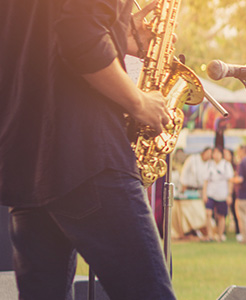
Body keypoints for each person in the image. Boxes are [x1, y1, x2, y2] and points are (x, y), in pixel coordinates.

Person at [0, 1, 176, 298]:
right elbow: (80, 37)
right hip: (87, 156)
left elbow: (43, 39)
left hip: (26, 160)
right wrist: (139, 102)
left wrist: (120, 34)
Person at [203, 148, 234, 242]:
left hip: (222, 193)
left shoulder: (226, 165)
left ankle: (220, 235)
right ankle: (210, 234)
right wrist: (204, 194)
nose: (216, 155)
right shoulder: (209, 165)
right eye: (214, 153)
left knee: (221, 216)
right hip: (211, 193)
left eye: (218, 153)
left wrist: (229, 195)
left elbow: (230, 181)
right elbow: (205, 181)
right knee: (208, 213)